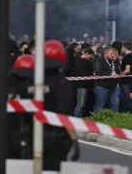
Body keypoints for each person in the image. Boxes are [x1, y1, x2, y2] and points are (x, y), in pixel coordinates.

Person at [7, 40, 80, 171]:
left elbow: (20, 113)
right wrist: (74, 140)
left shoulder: (30, 81)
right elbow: (65, 114)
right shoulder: (63, 84)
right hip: (55, 138)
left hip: (31, 135)